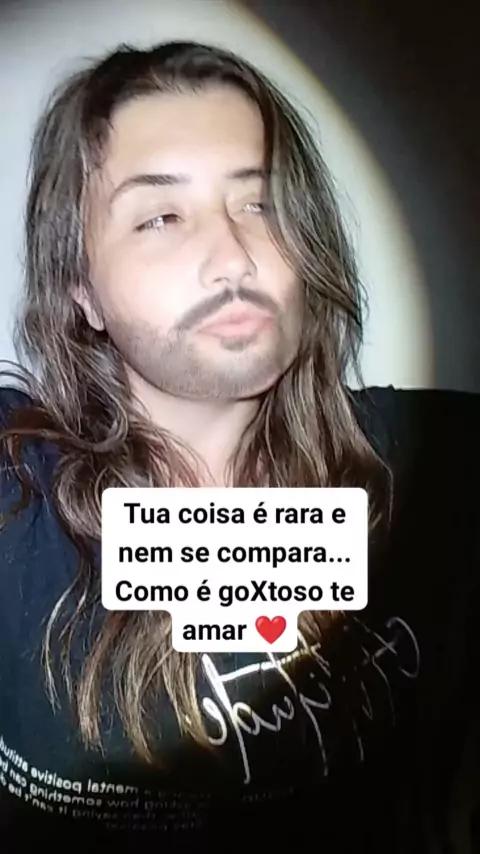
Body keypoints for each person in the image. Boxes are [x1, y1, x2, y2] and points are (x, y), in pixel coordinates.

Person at [0, 40, 478, 851]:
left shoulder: (431, 468)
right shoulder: (16, 490)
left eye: (259, 205)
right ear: (83, 290)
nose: (234, 256)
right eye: (160, 216)